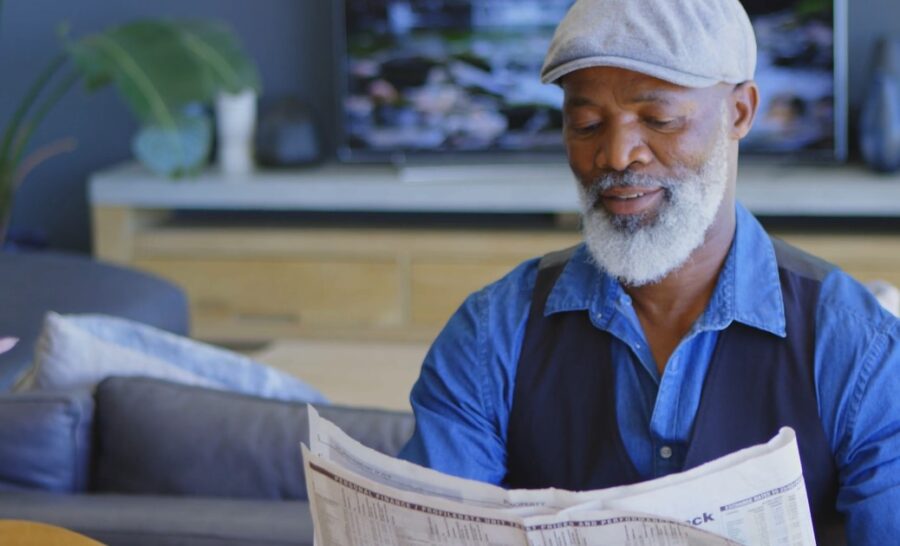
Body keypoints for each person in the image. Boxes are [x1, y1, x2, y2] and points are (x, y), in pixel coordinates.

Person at [397, 0, 900, 544]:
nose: (615, 155)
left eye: (658, 120)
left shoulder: (857, 347)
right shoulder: (490, 333)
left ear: (741, 112)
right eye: (586, 123)